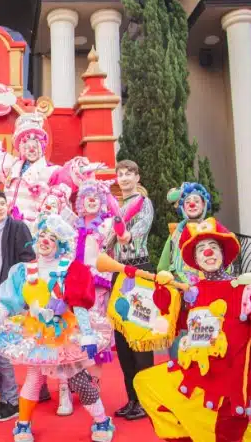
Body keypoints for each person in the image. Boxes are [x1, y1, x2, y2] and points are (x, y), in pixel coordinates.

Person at [134, 218, 251, 442]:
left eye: (213, 247)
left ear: (223, 253)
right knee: (145, 383)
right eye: (201, 250)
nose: (207, 253)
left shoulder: (245, 291)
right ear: (195, 259)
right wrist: (163, 290)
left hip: (227, 387)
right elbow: (176, 320)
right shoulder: (194, 291)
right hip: (193, 378)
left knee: (226, 437)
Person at [0, 214, 115, 442]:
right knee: (33, 380)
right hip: (36, 335)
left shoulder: (70, 268)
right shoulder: (23, 270)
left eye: (51, 238)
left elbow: (79, 305)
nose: (44, 240)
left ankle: (102, 420)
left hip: (64, 334)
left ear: (60, 244)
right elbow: (6, 303)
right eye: (42, 235)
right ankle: (22, 425)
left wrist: (88, 334)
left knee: (79, 380)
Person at [0, 187, 51, 422]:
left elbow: (29, 260)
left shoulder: (18, 227)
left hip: (13, 297)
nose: (0, 208)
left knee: (6, 347)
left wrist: (23, 294)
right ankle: (37, 389)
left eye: (2, 203)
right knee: (12, 345)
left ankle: (10, 401)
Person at [0, 111, 103, 232]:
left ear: (42, 147)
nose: (31, 149)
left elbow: (68, 174)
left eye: (35, 145)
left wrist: (82, 169)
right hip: (8, 230)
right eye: (26, 145)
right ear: (21, 148)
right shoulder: (12, 166)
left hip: (32, 233)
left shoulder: (51, 172)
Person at [54, 179, 116, 417]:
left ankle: (93, 386)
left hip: (97, 288)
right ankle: (64, 390)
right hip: (70, 287)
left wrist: (107, 193)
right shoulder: (69, 226)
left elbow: (120, 228)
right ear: (79, 202)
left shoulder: (107, 224)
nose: (92, 199)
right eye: (87, 195)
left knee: (97, 335)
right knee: (67, 337)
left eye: (96, 197)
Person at [106, 159, 154, 421]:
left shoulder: (143, 204)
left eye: (129, 174)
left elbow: (131, 235)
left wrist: (118, 227)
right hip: (118, 270)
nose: (123, 178)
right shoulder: (117, 206)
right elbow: (106, 240)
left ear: (137, 177)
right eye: (120, 174)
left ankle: (146, 400)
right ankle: (132, 398)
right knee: (122, 337)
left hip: (138, 269)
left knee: (140, 336)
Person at [157, 182, 211, 360]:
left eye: (197, 200)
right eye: (188, 201)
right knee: (179, 342)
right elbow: (163, 266)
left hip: (205, 294)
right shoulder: (175, 234)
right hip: (179, 294)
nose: (192, 204)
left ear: (204, 205)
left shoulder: (212, 230)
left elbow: (224, 262)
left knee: (205, 342)